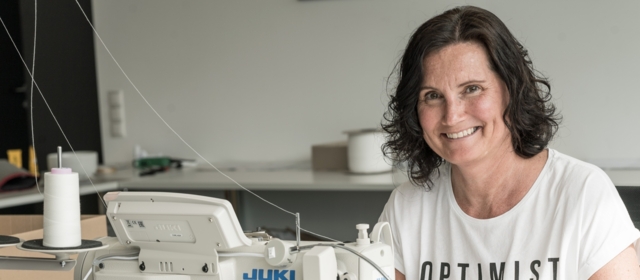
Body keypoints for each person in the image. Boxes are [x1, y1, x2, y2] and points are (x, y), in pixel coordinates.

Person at [378, 6, 640, 280]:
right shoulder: (406, 208)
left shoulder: (583, 195)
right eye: (432, 95)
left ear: (511, 90)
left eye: (471, 89)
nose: (452, 116)